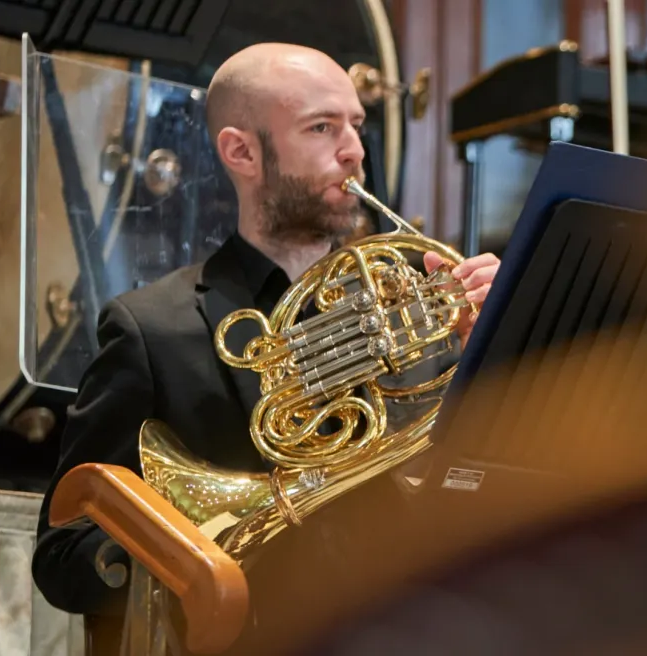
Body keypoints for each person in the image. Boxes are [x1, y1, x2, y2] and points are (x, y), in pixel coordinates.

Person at [31, 42, 501, 621]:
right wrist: (188, 553)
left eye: (357, 125)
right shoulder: (153, 328)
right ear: (242, 152)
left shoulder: (420, 317)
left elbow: (488, 507)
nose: (354, 151)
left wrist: (498, 347)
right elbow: (62, 551)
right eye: (322, 128)